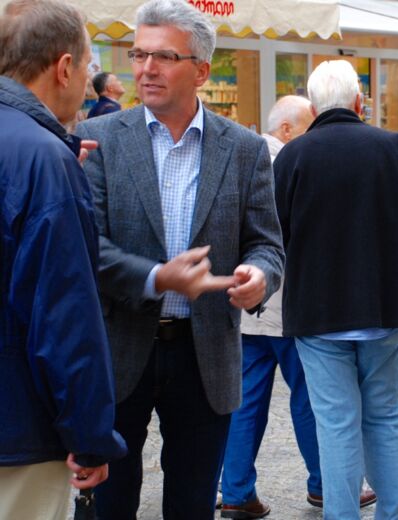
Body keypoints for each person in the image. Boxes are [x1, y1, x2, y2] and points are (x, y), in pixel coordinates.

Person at [75, 1, 285, 518]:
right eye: (139, 54)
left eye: (164, 56)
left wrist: (260, 275)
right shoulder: (98, 140)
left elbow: (267, 243)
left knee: (192, 504)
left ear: (202, 70)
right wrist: (154, 278)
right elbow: (87, 247)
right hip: (118, 350)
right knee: (108, 503)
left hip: (204, 354)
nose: (145, 68)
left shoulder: (243, 149)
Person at [273, 59, 398, 519]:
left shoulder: (294, 156)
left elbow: (275, 227)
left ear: (312, 105)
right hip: (384, 304)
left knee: (336, 423)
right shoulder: (395, 147)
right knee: (384, 418)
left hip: (318, 310)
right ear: (359, 101)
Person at [220, 95, 376, 519]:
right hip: (291, 306)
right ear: (287, 129)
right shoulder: (288, 161)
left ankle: (235, 490)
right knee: (312, 399)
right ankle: (325, 485)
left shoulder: (239, 157)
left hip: (246, 307)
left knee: (244, 402)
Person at [0, 1, 127, 518]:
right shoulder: (44, 160)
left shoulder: (43, 154)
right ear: (65, 67)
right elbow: (63, 316)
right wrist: (91, 436)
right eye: (91, 65)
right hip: (19, 432)